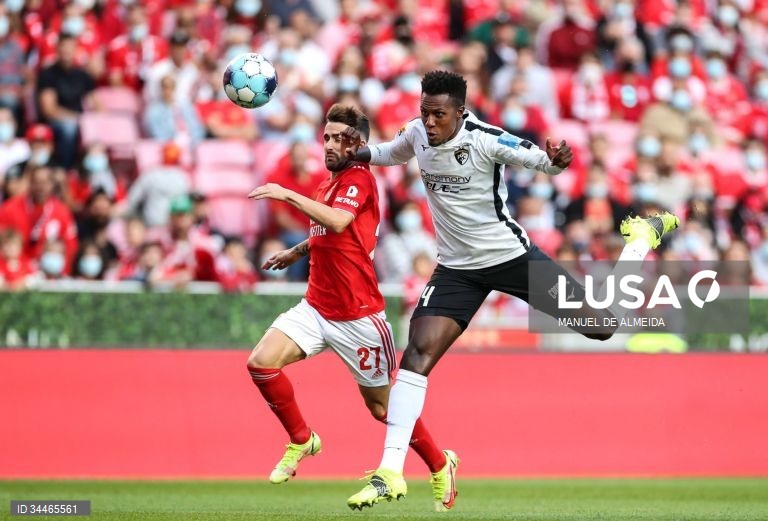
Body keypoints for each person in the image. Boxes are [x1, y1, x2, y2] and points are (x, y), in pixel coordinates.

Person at [342, 70, 680, 509]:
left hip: (511, 259)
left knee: (602, 326)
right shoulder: (416, 133)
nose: (428, 122)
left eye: (438, 115)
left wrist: (556, 159)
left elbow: (538, 159)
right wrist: (360, 154)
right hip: (456, 271)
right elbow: (391, 152)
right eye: (424, 112)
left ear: (460, 113)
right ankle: (390, 471)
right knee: (416, 356)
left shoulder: (486, 138)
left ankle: (640, 238)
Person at [245, 103, 459, 512]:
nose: (330, 144)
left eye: (341, 137)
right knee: (261, 362)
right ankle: (302, 439)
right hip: (316, 307)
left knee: (383, 408)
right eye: (326, 137)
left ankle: (439, 464)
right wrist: (297, 250)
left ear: (358, 143)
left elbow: (341, 223)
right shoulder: (327, 184)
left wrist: (286, 193)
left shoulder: (359, 178)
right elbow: (332, 233)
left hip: (359, 317)